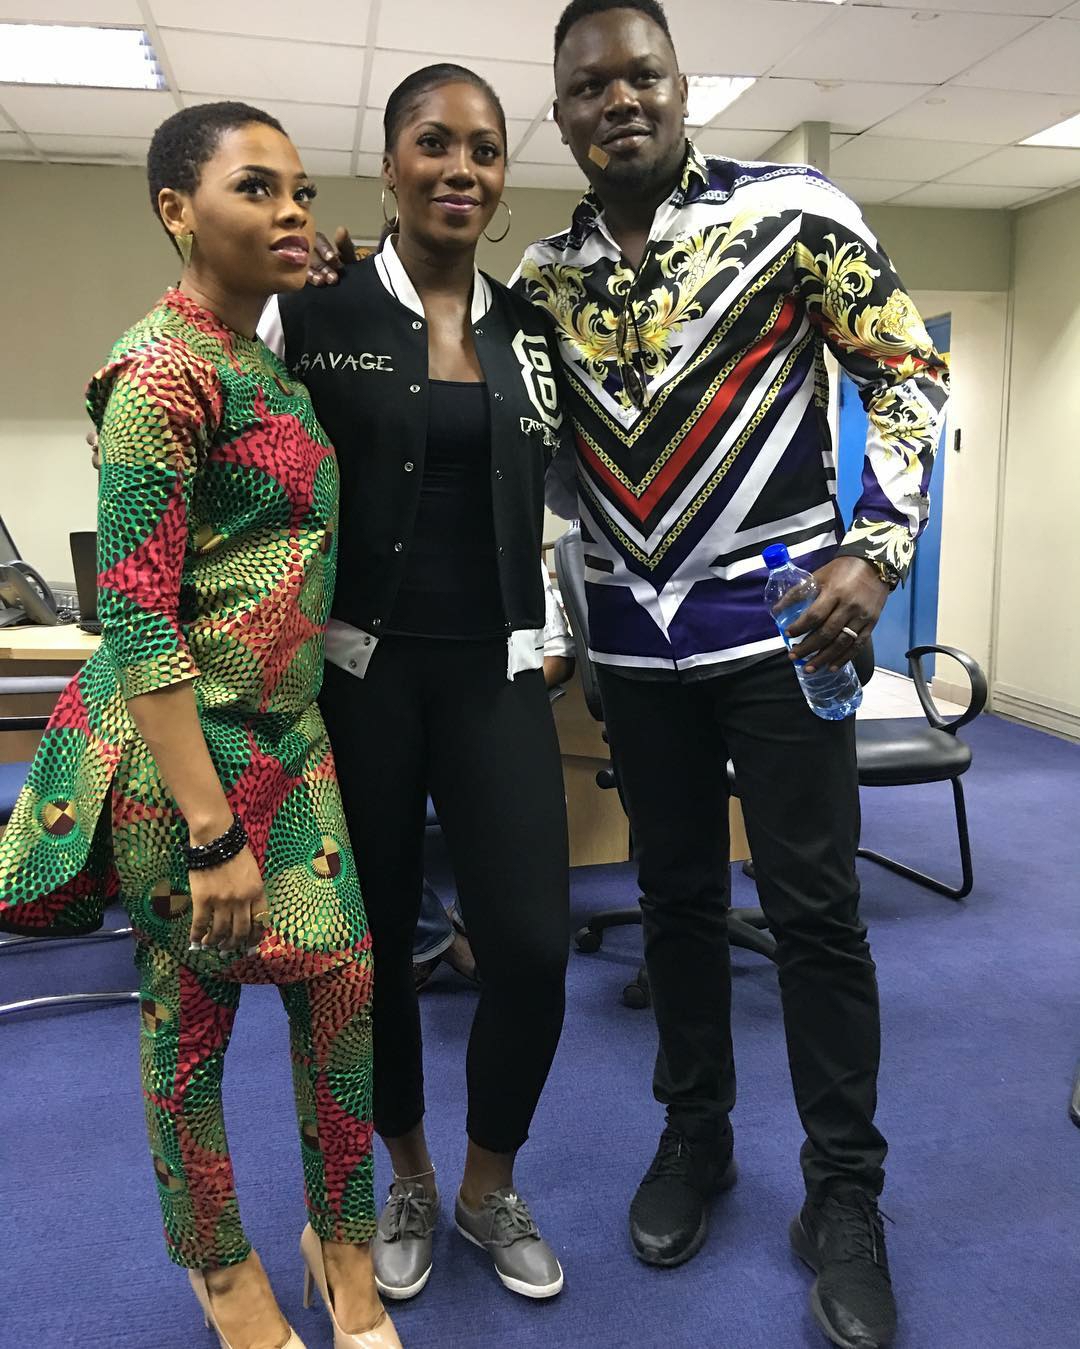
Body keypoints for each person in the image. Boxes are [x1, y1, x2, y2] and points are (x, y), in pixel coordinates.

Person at [516, 4, 948, 1346]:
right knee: (676, 900)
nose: (620, 100)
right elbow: (533, 452)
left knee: (816, 913)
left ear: (681, 84)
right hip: (634, 645)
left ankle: (845, 1193)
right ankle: (696, 1136)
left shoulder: (794, 211)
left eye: (642, 74)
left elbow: (910, 376)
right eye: (590, 86)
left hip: (785, 633)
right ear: (563, 113)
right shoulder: (541, 277)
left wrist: (876, 550)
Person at [0, 102, 399, 1349]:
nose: (292, 209)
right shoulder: (160, 373)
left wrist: (325, 268)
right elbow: (135, 617)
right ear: (177, 210)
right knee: (193, 1019)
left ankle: (343, 1249)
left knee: (343, 991)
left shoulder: (261, 360)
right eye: (255, 187)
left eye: (302, 190)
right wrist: (211, 829)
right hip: (191, 755)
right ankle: (221, 1269)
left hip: (292, 736)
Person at [259, 65, 571, 1304]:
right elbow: (231, 443)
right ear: (389, 166)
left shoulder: (532, 330)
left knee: (532, 947)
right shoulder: (311, 310)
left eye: (484, 150)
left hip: (497, 673)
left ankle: (489, 1184)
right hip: (358, 686)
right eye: (434, 144)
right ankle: (409, 1173)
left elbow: (569, 488)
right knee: (372, 947)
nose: (461, 168)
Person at [412, 561, 574, 990]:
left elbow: (558, 658)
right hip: (403, 725)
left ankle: (469, 926)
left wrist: (497, 703)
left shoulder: (513, 550)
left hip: (488, 714)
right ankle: (436, 939)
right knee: (363, 816)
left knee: (530, 801)